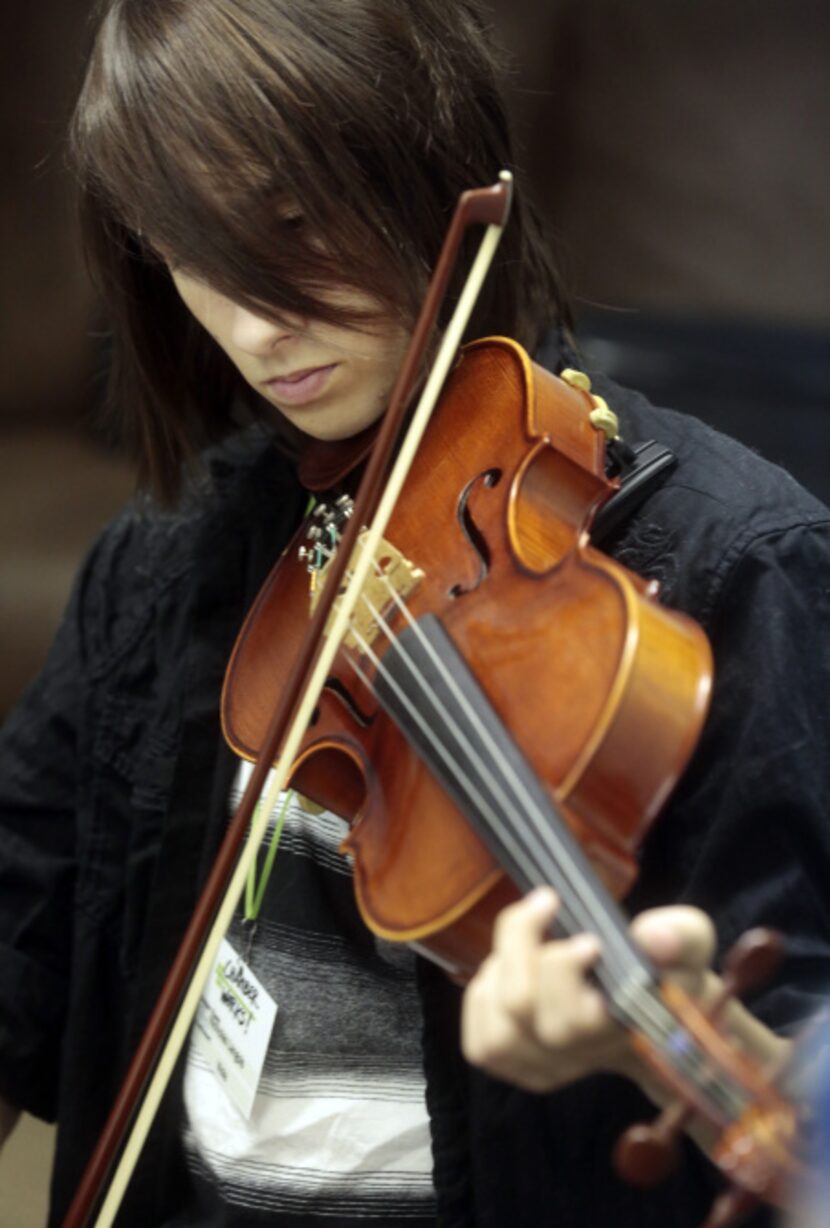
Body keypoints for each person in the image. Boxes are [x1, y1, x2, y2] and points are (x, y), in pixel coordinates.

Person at [0, 1, 829, 1225]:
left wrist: (631, 1045)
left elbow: (793, 1067)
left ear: (432, 172)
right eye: (193, 255)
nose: (252, 324)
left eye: (289, 231)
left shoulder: (735, 569)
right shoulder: (164, 563)